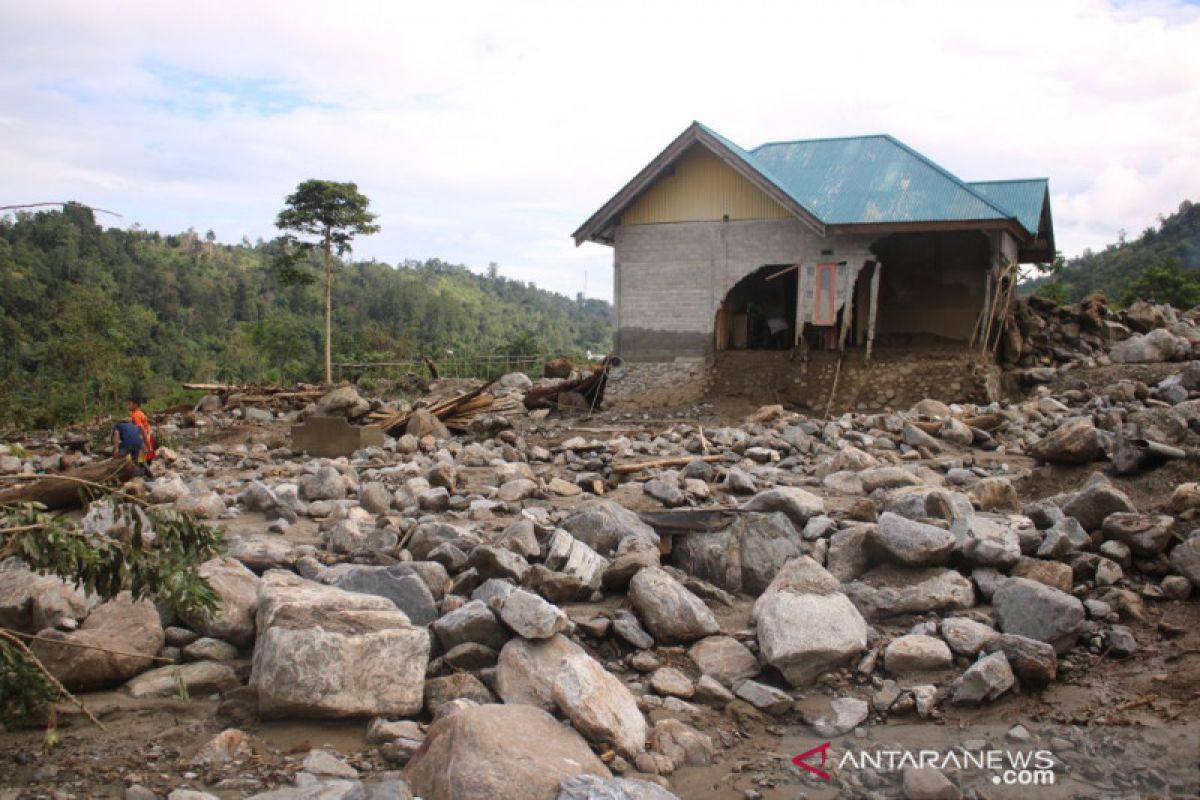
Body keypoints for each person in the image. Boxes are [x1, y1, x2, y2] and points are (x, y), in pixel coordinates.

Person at [128, 398, 156, 465]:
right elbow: (147, 426)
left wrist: (146, 442)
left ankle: (143, 472)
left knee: (141, 461)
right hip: (149, 437)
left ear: (135, 405)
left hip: (144, 439)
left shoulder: (136, 415)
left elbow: (141, 428)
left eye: (129, 404)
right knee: (148, 460)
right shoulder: (140, 413)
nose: (128, 406)